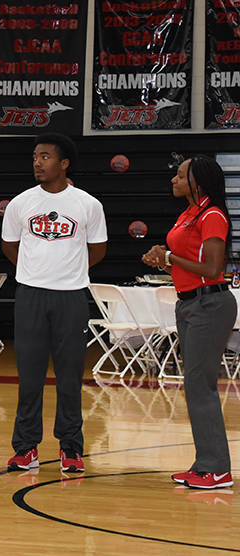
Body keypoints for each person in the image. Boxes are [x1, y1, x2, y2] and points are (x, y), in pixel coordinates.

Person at [1, 133, 106, 473]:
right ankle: (25, 448)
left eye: (45, 156)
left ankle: (71, 448)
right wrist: (36, 272)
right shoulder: (20, 204)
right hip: (30, 295)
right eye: (35, 156)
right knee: (29, 376)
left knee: (70, 376)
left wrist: (68, 272)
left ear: (64, 164)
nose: (37, 162)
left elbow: (98, 249)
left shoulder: (88, 205)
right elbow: (9, 246)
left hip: (72, 296)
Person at [142, 155, 235, 489]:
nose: (174, 180)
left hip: (210, 304)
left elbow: (213, 269)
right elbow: (187, 265)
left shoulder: (212, 215)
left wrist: (168, 256)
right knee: (196, 386)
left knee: (201, 386)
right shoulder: (188, 214)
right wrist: (164, 263)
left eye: (180, 176)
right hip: (191, 304)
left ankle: (216, 469)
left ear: (198, 181)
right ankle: (206, 465)